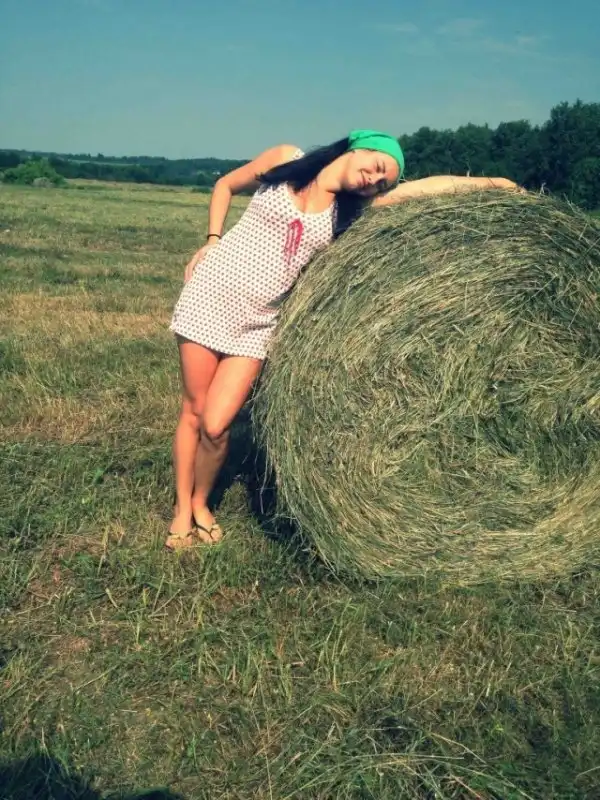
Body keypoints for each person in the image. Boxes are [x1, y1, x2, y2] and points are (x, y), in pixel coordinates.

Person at [166, 129, 520, 549]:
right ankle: (183, 509)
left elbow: (424, 189)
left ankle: (203, 500)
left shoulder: (348, 212)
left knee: (217, 425)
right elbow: (226, 184)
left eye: (383, 182)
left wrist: (493, 184)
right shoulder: (286, 159)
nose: (375, 180)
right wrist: (211, 240)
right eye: (379, 166)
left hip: (259, 324)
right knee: (194, 411)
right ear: (360, 147)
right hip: (210, 296)